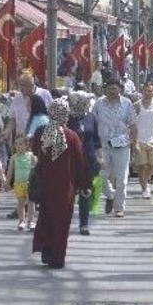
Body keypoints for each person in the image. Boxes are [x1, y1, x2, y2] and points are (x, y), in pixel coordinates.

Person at [32, 98, 90, 268]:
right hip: (66, 187)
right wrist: (85, 184)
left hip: (46, 185)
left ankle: (46, 249)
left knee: (46, 218)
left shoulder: (42, 132)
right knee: (61, 222)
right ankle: (57, 258)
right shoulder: (72, 137)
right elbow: (80, 163)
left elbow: (35, 151)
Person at [92, 78, 137, 217]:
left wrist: (135, 144)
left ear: (120, 89)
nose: (112, 91)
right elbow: (92, 123)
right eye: (109, 88)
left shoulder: (127, 104)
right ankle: (110, 195)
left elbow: (133, 125)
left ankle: (119, 207)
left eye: (114, 88)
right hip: (103, 145)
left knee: (122, 178)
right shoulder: (99, 104)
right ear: (105, 89)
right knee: (100, 176)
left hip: (122, 145)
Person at [67, 91, 100, 235]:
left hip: (88, 160)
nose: (87, 103)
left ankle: (84, 224)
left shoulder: (91, 117)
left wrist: (100, 157)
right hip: (70, 161)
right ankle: (64, 222)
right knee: (68, 192)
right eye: (84, 101)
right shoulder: (67, 118)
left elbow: (97, 140)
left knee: (85, 191)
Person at [3, 73, 54, 144]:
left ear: (32, 85)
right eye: (19, 85)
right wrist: (7, 131)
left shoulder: (45, 94)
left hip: (40, 140)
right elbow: (12, 118)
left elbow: (53, 115)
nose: (20, 88)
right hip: (21, 141)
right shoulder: (17, 98)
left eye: (23, 85)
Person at [134, 82, 153, 199]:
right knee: (142, 166)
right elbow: (132, 123)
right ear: (142, 91)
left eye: (150, 91)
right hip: (140, 139)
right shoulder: (137, 105)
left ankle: (146, 181)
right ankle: (145, 188)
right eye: (146, 91)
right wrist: (133, 140)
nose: (148, 93)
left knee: (152, 165)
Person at [7, 136, 36, 231]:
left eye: (21, 144)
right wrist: (7, 182)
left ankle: (31, 221)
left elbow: (36, 169)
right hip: (18, 184)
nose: (18, 146)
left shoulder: (31, 156)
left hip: (30, 183)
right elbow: (10, 171)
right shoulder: (13, 157)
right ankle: (21, 221)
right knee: (20, 203)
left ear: (27, 145)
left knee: (31, 203)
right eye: (16, 144)